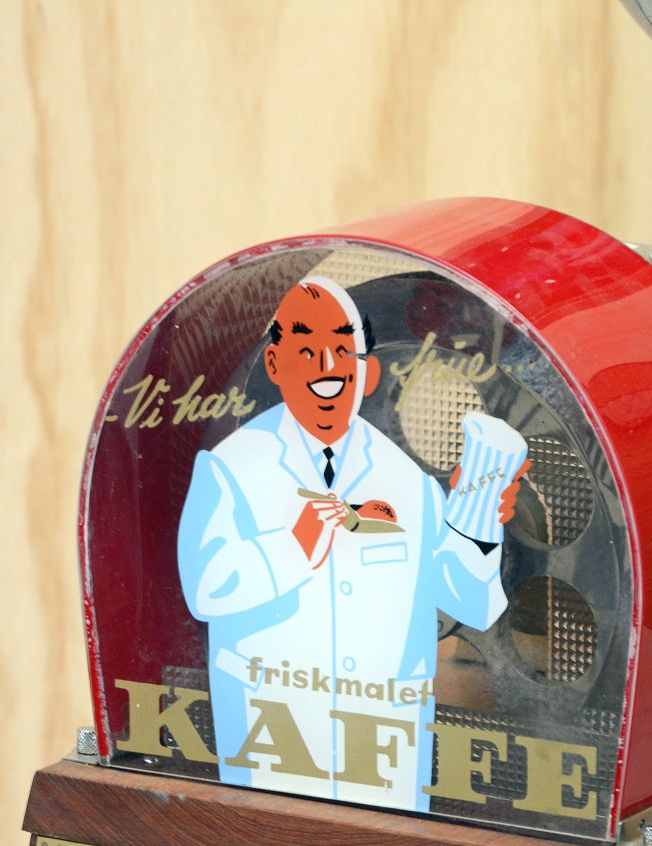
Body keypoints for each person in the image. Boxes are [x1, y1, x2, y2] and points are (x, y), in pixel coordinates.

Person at [177, 275, 524, 811]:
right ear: (275, 365)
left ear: (368, 373)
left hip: (386, 749)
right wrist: (294, 546)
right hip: (271, 738)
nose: (326, 367)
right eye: (306, 351)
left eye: (342, 351)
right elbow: (206, 589)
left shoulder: (407, 480)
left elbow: (469, 601)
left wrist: (477, 517)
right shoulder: (230, 467)